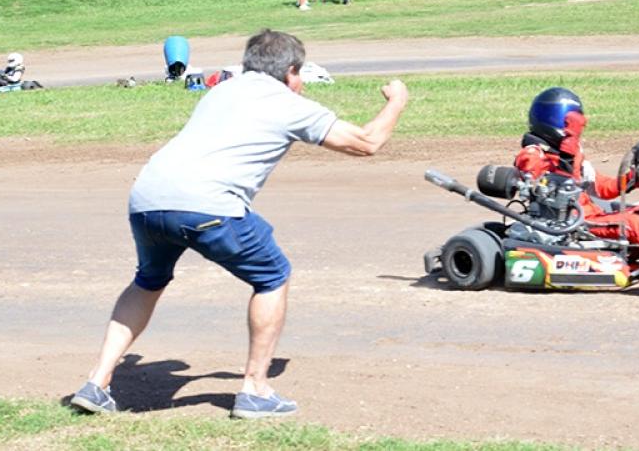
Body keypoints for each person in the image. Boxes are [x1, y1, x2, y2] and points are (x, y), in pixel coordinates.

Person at [69, 29, 409, 419]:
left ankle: (97, 383)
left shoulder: (221, 90)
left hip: (146, 198)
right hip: (207, 205)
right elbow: (366, 142)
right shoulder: (287, 103)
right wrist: (397, 102)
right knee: (272, 276)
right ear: (292, 71)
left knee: (148, 281)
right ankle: (255, 389)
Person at [513, 87, 639, 244]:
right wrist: (567, 153)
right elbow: (554, 188)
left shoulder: (574, 153)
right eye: (567, 121)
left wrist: (635, 177)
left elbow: (602, 188)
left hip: (592, 215)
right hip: (569, 224)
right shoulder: (531, 155)